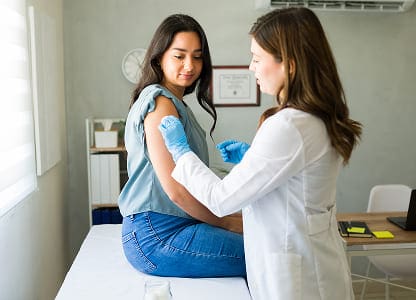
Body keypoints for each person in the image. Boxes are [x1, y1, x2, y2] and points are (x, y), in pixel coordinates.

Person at [158, 7, 362, 300]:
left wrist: (181, 152)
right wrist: (252, 160)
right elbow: (295, 181)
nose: (251, 67)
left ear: (289, 65)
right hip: (315, 265)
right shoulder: (314, 117)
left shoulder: (288, 125)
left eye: (257, 58)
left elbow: (221, 198)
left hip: (298, 279)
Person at [118, 14, 246, 278]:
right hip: (156, 234)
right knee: (263, 252)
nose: (190, 65)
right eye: (179, 56)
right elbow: (176, 191)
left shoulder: (174, 103)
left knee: (260, 238)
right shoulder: (161, 104)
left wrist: (234, 215)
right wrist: (227, 223)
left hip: (175, 225)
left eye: (197, 56)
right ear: (159, 57)